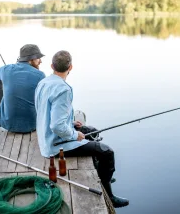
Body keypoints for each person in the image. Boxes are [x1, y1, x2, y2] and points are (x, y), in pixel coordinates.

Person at [35, 50, 129, 208]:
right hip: (55, 145)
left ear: (52, 66)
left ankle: (102, 175)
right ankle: (109, 196)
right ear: (70, 67)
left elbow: (49, 113)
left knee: (92, 130)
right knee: (106, 152)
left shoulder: (44, 82)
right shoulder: (63, 89)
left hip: (46, 136)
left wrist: (71, 122)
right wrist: (74, 134)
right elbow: (57, 126)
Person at [0, 44, 46, 133]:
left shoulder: (6, 69)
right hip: (33, 125)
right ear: (31, 60)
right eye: (38, 58)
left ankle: (3, 114)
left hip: (8, 124)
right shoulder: (40, 75)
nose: (40, 61)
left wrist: (6, 80)